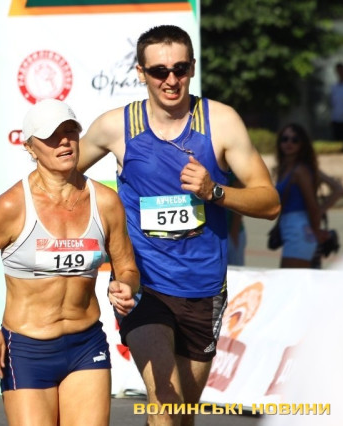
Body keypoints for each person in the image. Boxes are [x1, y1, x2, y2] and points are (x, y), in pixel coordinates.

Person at [77, 25, 280, 425]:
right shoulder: (116, 126)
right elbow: (59, 179)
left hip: (204, 288)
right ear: (141, 73)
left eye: (180, 69)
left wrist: (214, 191)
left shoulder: (221, 122)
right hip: (144, 284)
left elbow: (270, 202)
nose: (171, 80)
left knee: (183, 413)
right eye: (159, 71)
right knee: (165, 402)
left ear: (192, 68)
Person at [0, 99, 139, 425]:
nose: (64, 141)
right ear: (30, 148)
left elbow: (127, 267)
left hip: (86, 343)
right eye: (52, 136)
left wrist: (126, 286)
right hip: (27, 350)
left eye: (70, 132)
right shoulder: (12, 206)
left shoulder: (106, 202)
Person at [274, 123, 343, 269]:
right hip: (290, 227)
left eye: (295, 140)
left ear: (302, 144)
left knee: (290, 278)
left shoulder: (300, 170)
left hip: (299, 229)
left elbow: (314, 204)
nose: (289, 143)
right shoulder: (285, 168)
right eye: (285, 139)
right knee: (290, 277)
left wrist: (319, 217)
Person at [226, 172, 246, 266]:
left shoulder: (231, 169)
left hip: (230, 231)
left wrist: (234, 231)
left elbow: (240, 198)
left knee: (234, 269)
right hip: (218, 232)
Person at [330, 62, 343, 152]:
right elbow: (332, 104)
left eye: (342, 70)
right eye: (339, 71)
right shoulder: (334, 87)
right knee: (338, 146)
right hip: (337, 120)